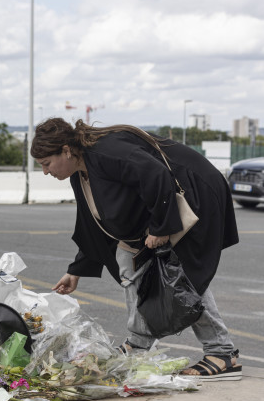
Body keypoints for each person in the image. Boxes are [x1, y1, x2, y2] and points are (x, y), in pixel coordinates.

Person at [31, 117, 241, 381]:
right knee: (127, 258)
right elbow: (95, 223)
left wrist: (161, 227)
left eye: (46, 164)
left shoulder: (107, 151)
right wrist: (76, 270)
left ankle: (222, 353)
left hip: (194, 193)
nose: (46, 172)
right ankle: (139, 343)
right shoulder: (81, 172)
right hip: (165, 206)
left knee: (183, 277)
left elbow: (155, 173)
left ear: (65, 150)